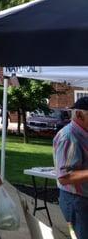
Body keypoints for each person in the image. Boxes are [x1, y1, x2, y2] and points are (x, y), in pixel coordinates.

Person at [53, 97, 88, 239]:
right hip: (76, 200)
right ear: (79, 115)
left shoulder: (83, 132)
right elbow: (64, 177)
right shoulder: (69, 136)